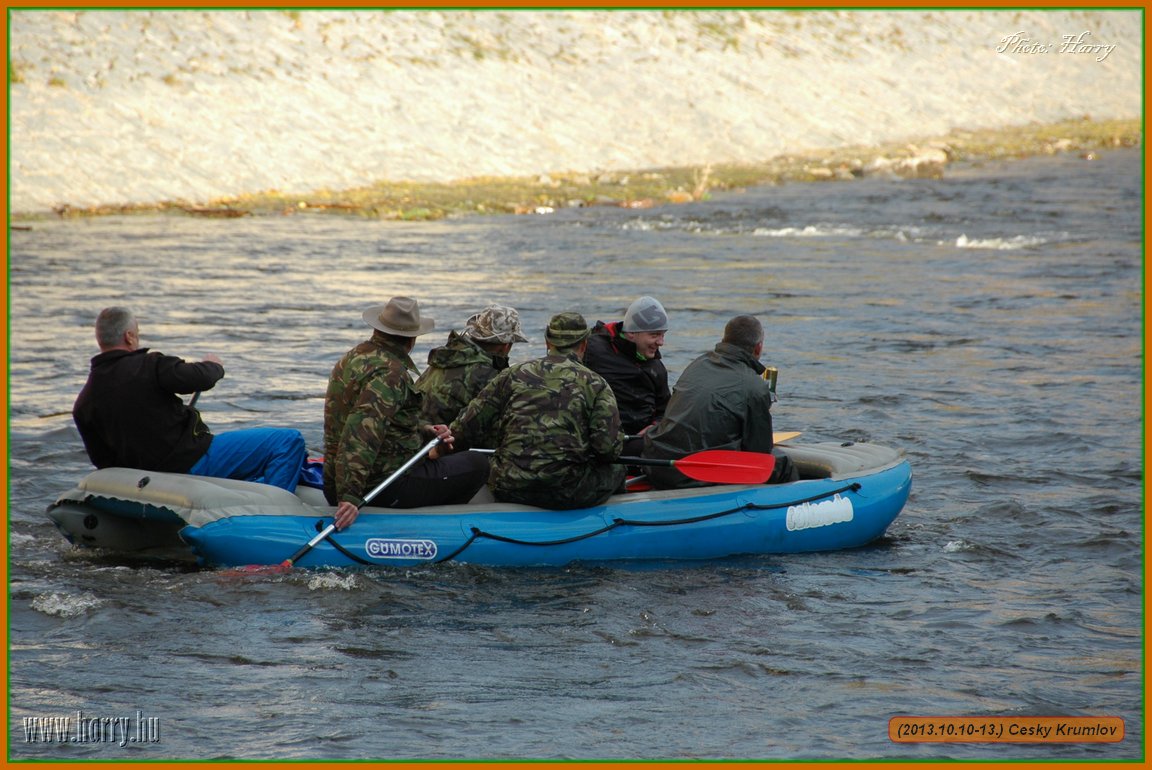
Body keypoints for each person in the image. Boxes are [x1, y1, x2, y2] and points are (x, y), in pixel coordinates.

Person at [72, 307, 307, 491]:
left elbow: (103, 463)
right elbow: (200, 378)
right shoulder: (150, 365)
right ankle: (271, 510)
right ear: (130, 336)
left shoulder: (84, 402)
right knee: (287, 440)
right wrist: (213, 365)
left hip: (144, 479)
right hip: (190, 461)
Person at [323, 296, 489, 530]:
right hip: (379, 487)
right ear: (412, 339)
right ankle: (441, 529)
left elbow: (378, 421)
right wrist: (349, 497)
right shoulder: (391, 374)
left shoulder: (352, 358)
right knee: (477, 463)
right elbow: (361, 433)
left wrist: (425, 432)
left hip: (333, 480)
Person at [448, 312, 625, 510]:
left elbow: (466, 426)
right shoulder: (597, 383)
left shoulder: (512, 374)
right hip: (568, 490)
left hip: (508, 485)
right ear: (584, 344)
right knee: (617, 468)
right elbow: (608, 449)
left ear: (548, 342)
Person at [642, 314, 798, 489]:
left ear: (724, 339)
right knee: (783, 464)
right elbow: (759, 453)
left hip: (656, 462)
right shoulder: (755, 386)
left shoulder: (698, 364)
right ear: (758, 348)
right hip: (690, 473)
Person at [583, 296, 671, 456]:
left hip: (639, 441)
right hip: (600, 439)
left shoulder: (657, 368)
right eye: (655, 335)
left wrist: (656, 426)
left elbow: (665, 410)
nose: (661, 342)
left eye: (663, 335)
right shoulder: (593, 348)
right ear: (631, 334)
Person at [416, 303, 529, 427]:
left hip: (414, 431)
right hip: (439, 439)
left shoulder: (448, 356)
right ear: (506, 346)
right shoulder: (488, 374)